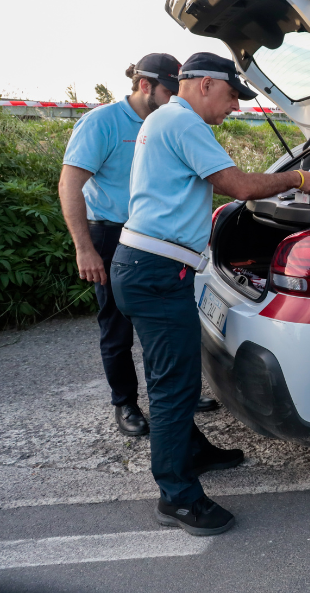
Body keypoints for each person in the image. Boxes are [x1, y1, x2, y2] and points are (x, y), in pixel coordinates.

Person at [110, 52, 310, 536]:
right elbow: (239, 186)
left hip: (148, 266)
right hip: (156, 271)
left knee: (176, 374)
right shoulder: (183, 124)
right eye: (231, 96)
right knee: (173, 388)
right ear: (204, 85)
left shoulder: (164, 118)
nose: (234, 107)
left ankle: (195, 453)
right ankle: (177, 498)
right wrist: (297, 178)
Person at [60, 54, 218, 436]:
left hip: (156, 238)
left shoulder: (171, 120)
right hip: (112, 234)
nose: (174, 97)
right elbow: (69, 184)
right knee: (116, 329)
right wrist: (85, 247)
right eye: (168, 90)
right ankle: (126, 404)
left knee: (161, 327)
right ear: (144, 85)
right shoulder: (103, 122)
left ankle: (174, 395)